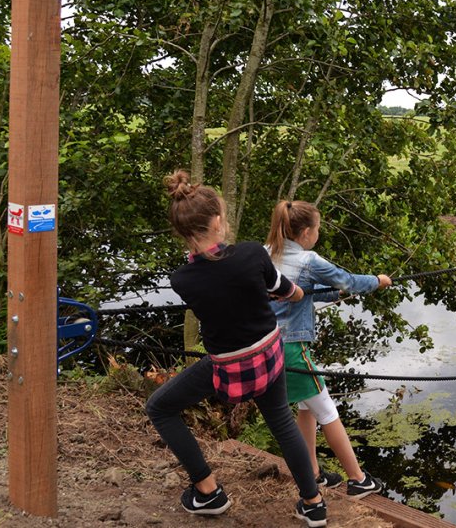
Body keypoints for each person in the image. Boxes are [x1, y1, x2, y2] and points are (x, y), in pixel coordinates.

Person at [145, 171, 329, 527]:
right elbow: (286, 290)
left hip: (227, 369)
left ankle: (208, 491)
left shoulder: (182, 280)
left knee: (160, 408)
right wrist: (294, 293)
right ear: (217, 221)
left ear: (182, 232)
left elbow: (217, 289)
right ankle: (313, 503)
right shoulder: (250, 255)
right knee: (282, 423)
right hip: (269, 356)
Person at [265, 199, 391, 499]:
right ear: (306, 232)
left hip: (267, 344)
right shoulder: (309, 260)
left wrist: (334, 293)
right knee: (327, 410)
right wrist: (378, 281)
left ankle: (313, 472)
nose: (318, 233)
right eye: (318, 228)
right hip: (293, 346)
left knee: (307, 408)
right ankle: (358, 479)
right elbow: (348, 280)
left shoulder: (265, 253)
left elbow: (300, 290)